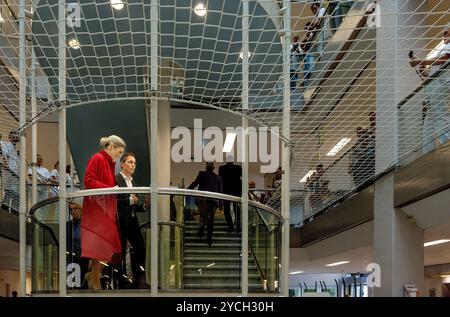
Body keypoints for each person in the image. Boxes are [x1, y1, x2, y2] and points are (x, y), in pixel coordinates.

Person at [81, 135, 126, 290]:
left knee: (110, 246)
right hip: (97, 209)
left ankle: (93, 275)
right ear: (111, 147)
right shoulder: (98, 158)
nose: (119, 156)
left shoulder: (108, 164)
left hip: (104, 209)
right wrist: (110, 189)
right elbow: (88, 180)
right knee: (102, 246)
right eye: (119, 152)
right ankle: (94, 277)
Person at [409, 26, 450, 153]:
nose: (444, 33)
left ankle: (447, 145)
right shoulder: (441, 49)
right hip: (434, 85)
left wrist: (421, 61)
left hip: (442, 83)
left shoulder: (447, 47)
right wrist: (421, 69)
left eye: (447, 31)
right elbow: (428, 75)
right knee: (429, 120)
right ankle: (427, 152)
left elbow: (445, 58)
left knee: (440, 116)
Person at [115, 152, 148, 289]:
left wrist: (144, 206)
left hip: (132, 220)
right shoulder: (116, 179)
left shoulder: (133, 182)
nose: (133, 165)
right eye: (130, 162)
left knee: (140, 248)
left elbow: (133, 205)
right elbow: (114, 202)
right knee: (120, 251)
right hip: (121, 221)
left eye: (134, 163)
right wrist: (129, 200)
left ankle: (139, 280)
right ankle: (120, 281)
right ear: (122, 164)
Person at [188, 162, 223, 246]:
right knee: (211, 219)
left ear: (206, 167)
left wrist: (187, 190)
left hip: (203, 199)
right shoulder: (217, 177)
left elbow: (195, 183)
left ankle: (201, 230)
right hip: (214, 200)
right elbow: (220, 191)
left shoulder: (202, 174)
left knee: (203, 215)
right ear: (213, 168)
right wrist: (221, 204)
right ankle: (209, 238)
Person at [67, 201, 89, 289]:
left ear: (80, 209)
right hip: (72, 260)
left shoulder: (86, 223)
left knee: (85, 285)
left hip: (85, 259)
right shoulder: (68, 225)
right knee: (73, 286)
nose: (73, 211)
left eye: (75, 208)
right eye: (71, 209)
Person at [218, 155, 242, 232]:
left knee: (227, 209)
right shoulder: (238, 168)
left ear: (226, 161)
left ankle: (230, 227)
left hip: (226, 192)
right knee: (236, 208)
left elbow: (220, 180)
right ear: (233, 161)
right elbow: (243, 177)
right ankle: (238, 227)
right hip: (237, 191)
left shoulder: (221, 168)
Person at [0, 130, 20, 213]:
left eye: (16, 136)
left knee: (12, 195)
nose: (15, 137)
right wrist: (7, 167)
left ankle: (13, 213)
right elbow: (3, 156)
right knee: (13, 195)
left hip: (15, 176)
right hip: (10, 174)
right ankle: (7, 213)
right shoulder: (6, 145)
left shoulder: (15, 149)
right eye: (13, 136)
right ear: (9, 137)